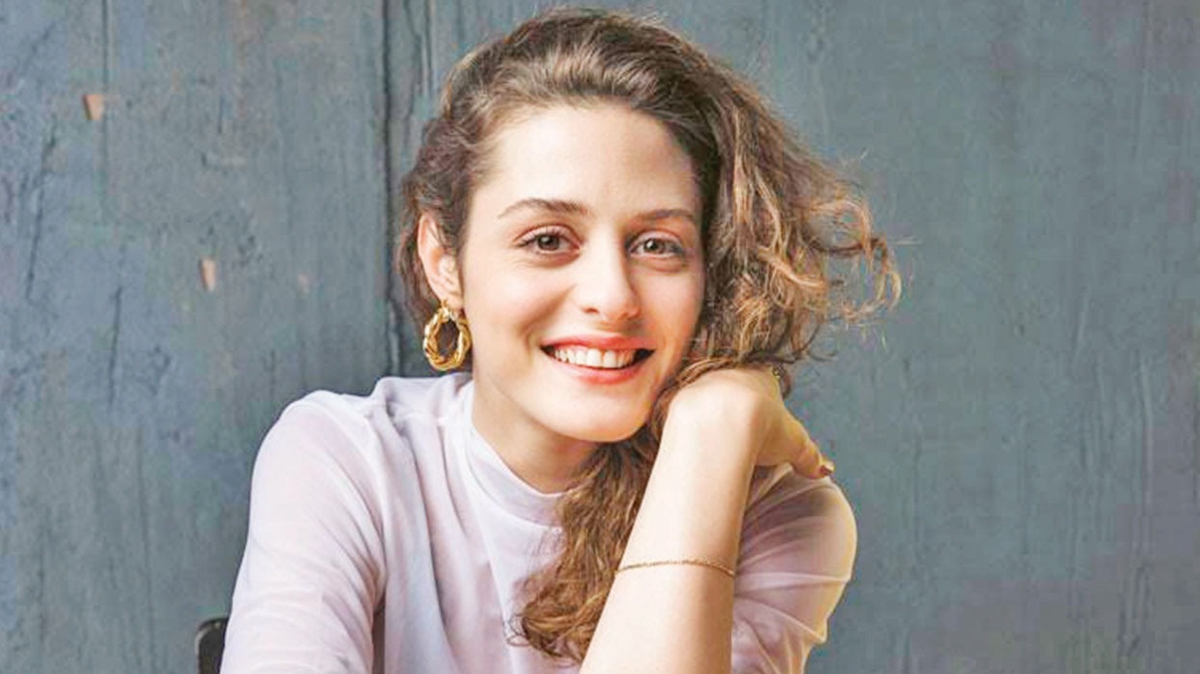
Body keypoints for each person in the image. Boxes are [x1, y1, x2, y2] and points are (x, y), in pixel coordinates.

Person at [221, 7, 897, 674]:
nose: (613, 296)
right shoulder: (345, 462)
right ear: (444, 260)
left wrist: (709, 433)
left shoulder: (780, 516)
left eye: (657, 245)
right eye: (547, 240)